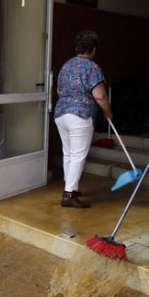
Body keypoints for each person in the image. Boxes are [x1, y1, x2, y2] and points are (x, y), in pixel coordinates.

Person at [54, 30, 114, 208]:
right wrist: (108, 112)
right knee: (78, 156)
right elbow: (101, 95)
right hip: (80, 115)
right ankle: (68, 195)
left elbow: (59, 90)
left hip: (61, 114)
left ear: (77, 47)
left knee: (68, 153)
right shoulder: (92, 67)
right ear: (94, 49)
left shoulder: (66, 65)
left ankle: (69, 186)